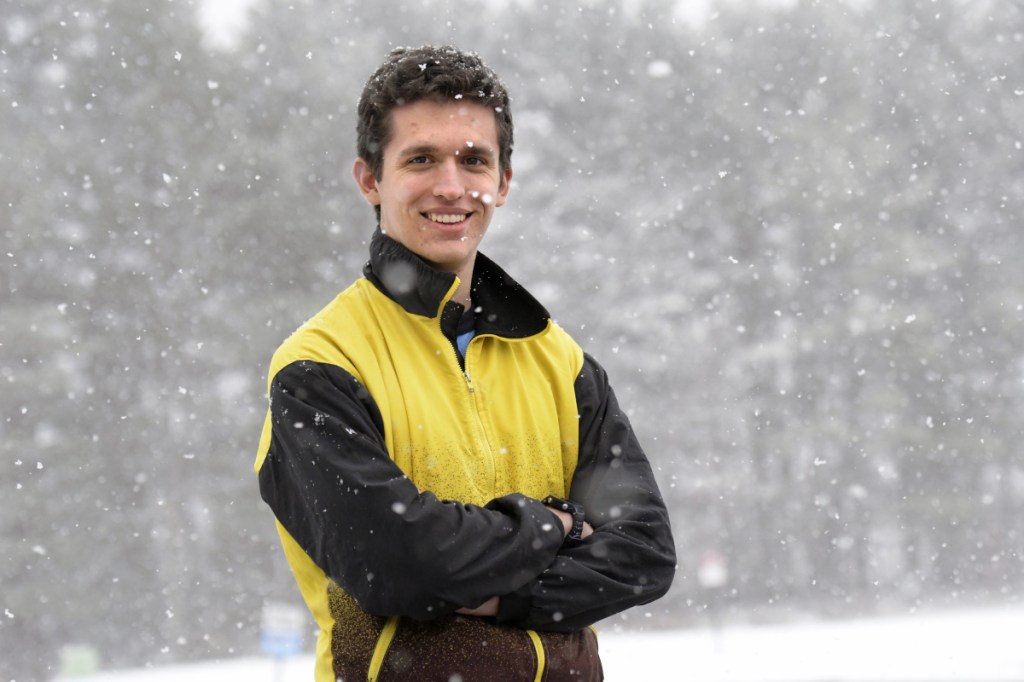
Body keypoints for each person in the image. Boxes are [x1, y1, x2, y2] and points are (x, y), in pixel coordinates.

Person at [254, 44, 676, 682]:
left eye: (473, 160)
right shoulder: (320, 366)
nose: (451, 185)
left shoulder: (558, 360)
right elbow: (396, 565)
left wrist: (497, 595)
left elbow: (643, 553)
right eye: (421, 159)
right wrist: (555, 526)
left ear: (503, 182)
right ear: (371, 179)